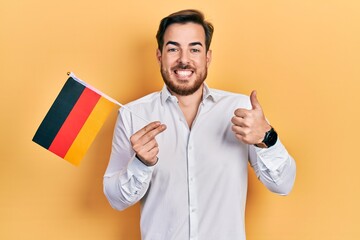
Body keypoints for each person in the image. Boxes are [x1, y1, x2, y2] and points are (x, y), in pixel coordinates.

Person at [103, 9, 296, 240]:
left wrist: (267, 137)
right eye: (173, 49)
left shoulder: (241, 110)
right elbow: (115, 200)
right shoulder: (132, 115)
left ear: (207, 57)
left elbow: (283, 185)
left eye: (194, 49)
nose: (184, 59)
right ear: (159, 56)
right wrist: (141, 164)